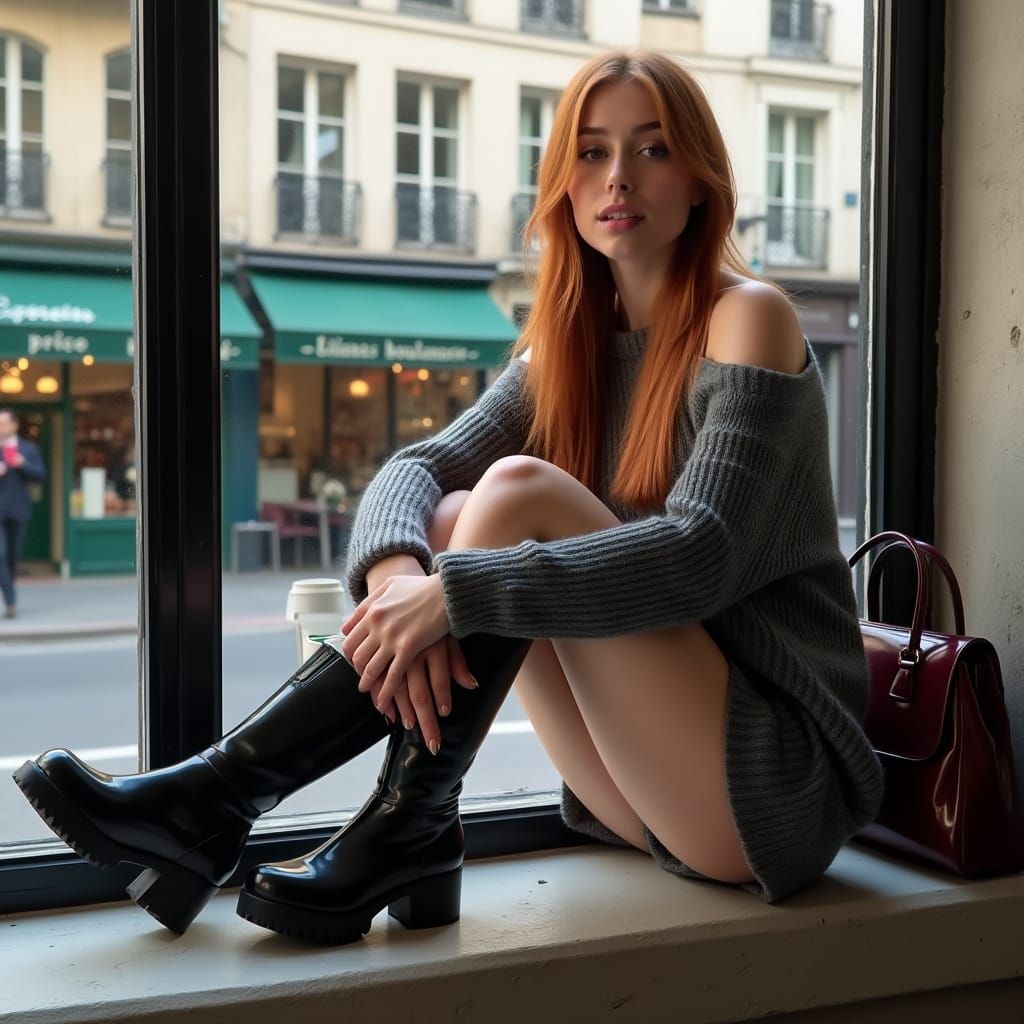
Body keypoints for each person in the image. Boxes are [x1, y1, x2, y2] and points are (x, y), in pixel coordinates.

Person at [13, 50, 883, 944]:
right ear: (562, 187)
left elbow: (704, 553)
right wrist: (398, 578)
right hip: (640, 792)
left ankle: (233, 796)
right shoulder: (565, 349)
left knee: (509, 496)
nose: (618, 176)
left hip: (770, 791)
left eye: (652, 150)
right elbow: (414, 469)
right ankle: (397, 822)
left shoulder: (750, 318)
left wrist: (454, 594)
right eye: (590, 153)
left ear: (700, 179)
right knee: (446, 518)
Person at [0, 408, 47, 619]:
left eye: (3, 424)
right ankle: (10, 601)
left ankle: (9, 591)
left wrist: (23, 464)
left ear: (14, 425)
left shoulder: (28, 449)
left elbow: (40, 475)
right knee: (0, 555)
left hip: (18, 510)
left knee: (12, 556)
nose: (1, 428)